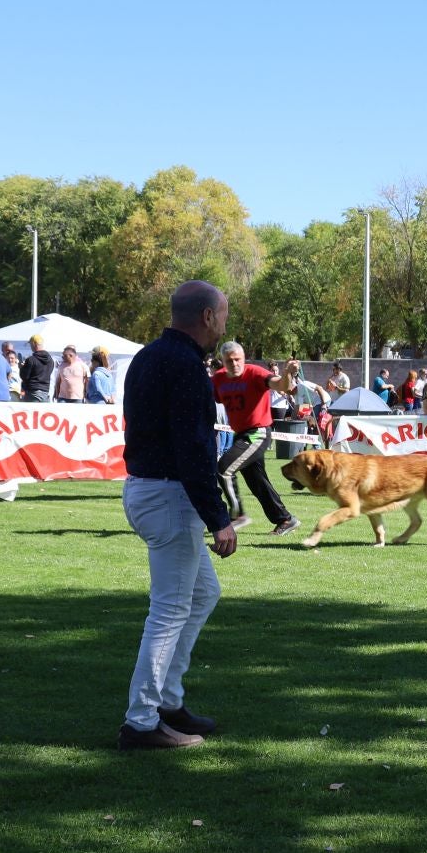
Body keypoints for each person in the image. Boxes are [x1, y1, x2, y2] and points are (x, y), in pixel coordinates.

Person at [117, 281, 238, 751]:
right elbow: (192, 449)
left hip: (150, 490)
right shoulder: (185, 366)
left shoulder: (148, 356)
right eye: (223, 314)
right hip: (169, 496)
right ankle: (141, 721)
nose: (225, 323)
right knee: (168, 611)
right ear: (207, 317)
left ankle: (168, 700)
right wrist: (218, 517)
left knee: (204, 592)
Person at [212, 342, 301, 537]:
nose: (234, 364)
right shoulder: (218, 379)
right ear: (223, 362)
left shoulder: (255, 373)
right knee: (257, 482)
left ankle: (237, 516)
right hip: (241, 434)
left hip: (258, 433)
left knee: (224, 469)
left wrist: (287, 372)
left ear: (243, 359)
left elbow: (281, 385)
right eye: (229, 360)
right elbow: (207, 398)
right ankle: (285, 519)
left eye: (238, 360)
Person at [20, 336, 56, 402]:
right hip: (45, 392)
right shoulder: (51, 360)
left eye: (30, 344)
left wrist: (22, 368)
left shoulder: (31, 360)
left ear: (34, 344)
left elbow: (24, 376)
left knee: (30, 411)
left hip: (33, 392)